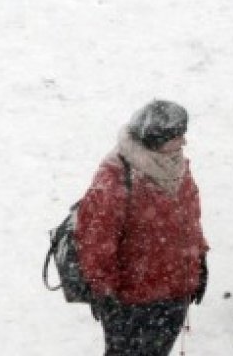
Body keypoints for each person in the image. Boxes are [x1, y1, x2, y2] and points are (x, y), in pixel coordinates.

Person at [77, 100, 209, 356]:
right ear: (156, 139)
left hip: (173, 292)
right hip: (132, 302)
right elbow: (97, 245)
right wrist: (105, 295)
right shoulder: (116, 178)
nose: (184, 142)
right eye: (177, 136)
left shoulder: (176, 167)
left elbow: (189, 219)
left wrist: (198, 260)